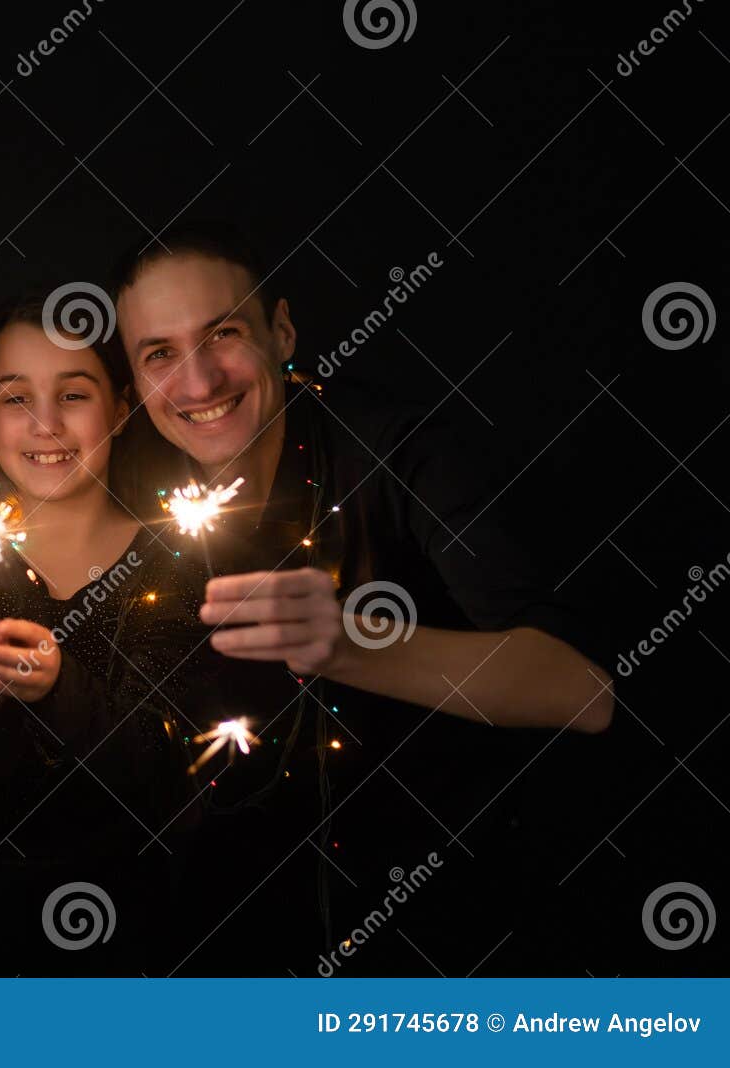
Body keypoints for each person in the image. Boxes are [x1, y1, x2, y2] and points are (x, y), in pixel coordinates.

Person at [107, 219, 616, 971]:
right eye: (159, 354)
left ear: (282, 331)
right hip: (233, 942)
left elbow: (583, 689)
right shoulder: (130, 483)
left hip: (444, 943)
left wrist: (349, 644)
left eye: (222, 334)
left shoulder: (405, 454)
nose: (198, 382)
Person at [0, 297, 300, 974]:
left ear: (119, 409)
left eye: (74, 394)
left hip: (158, 948)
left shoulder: (187, 568)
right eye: (16, 397)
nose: (46, 423)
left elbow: (180, 782)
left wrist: (60, 690)